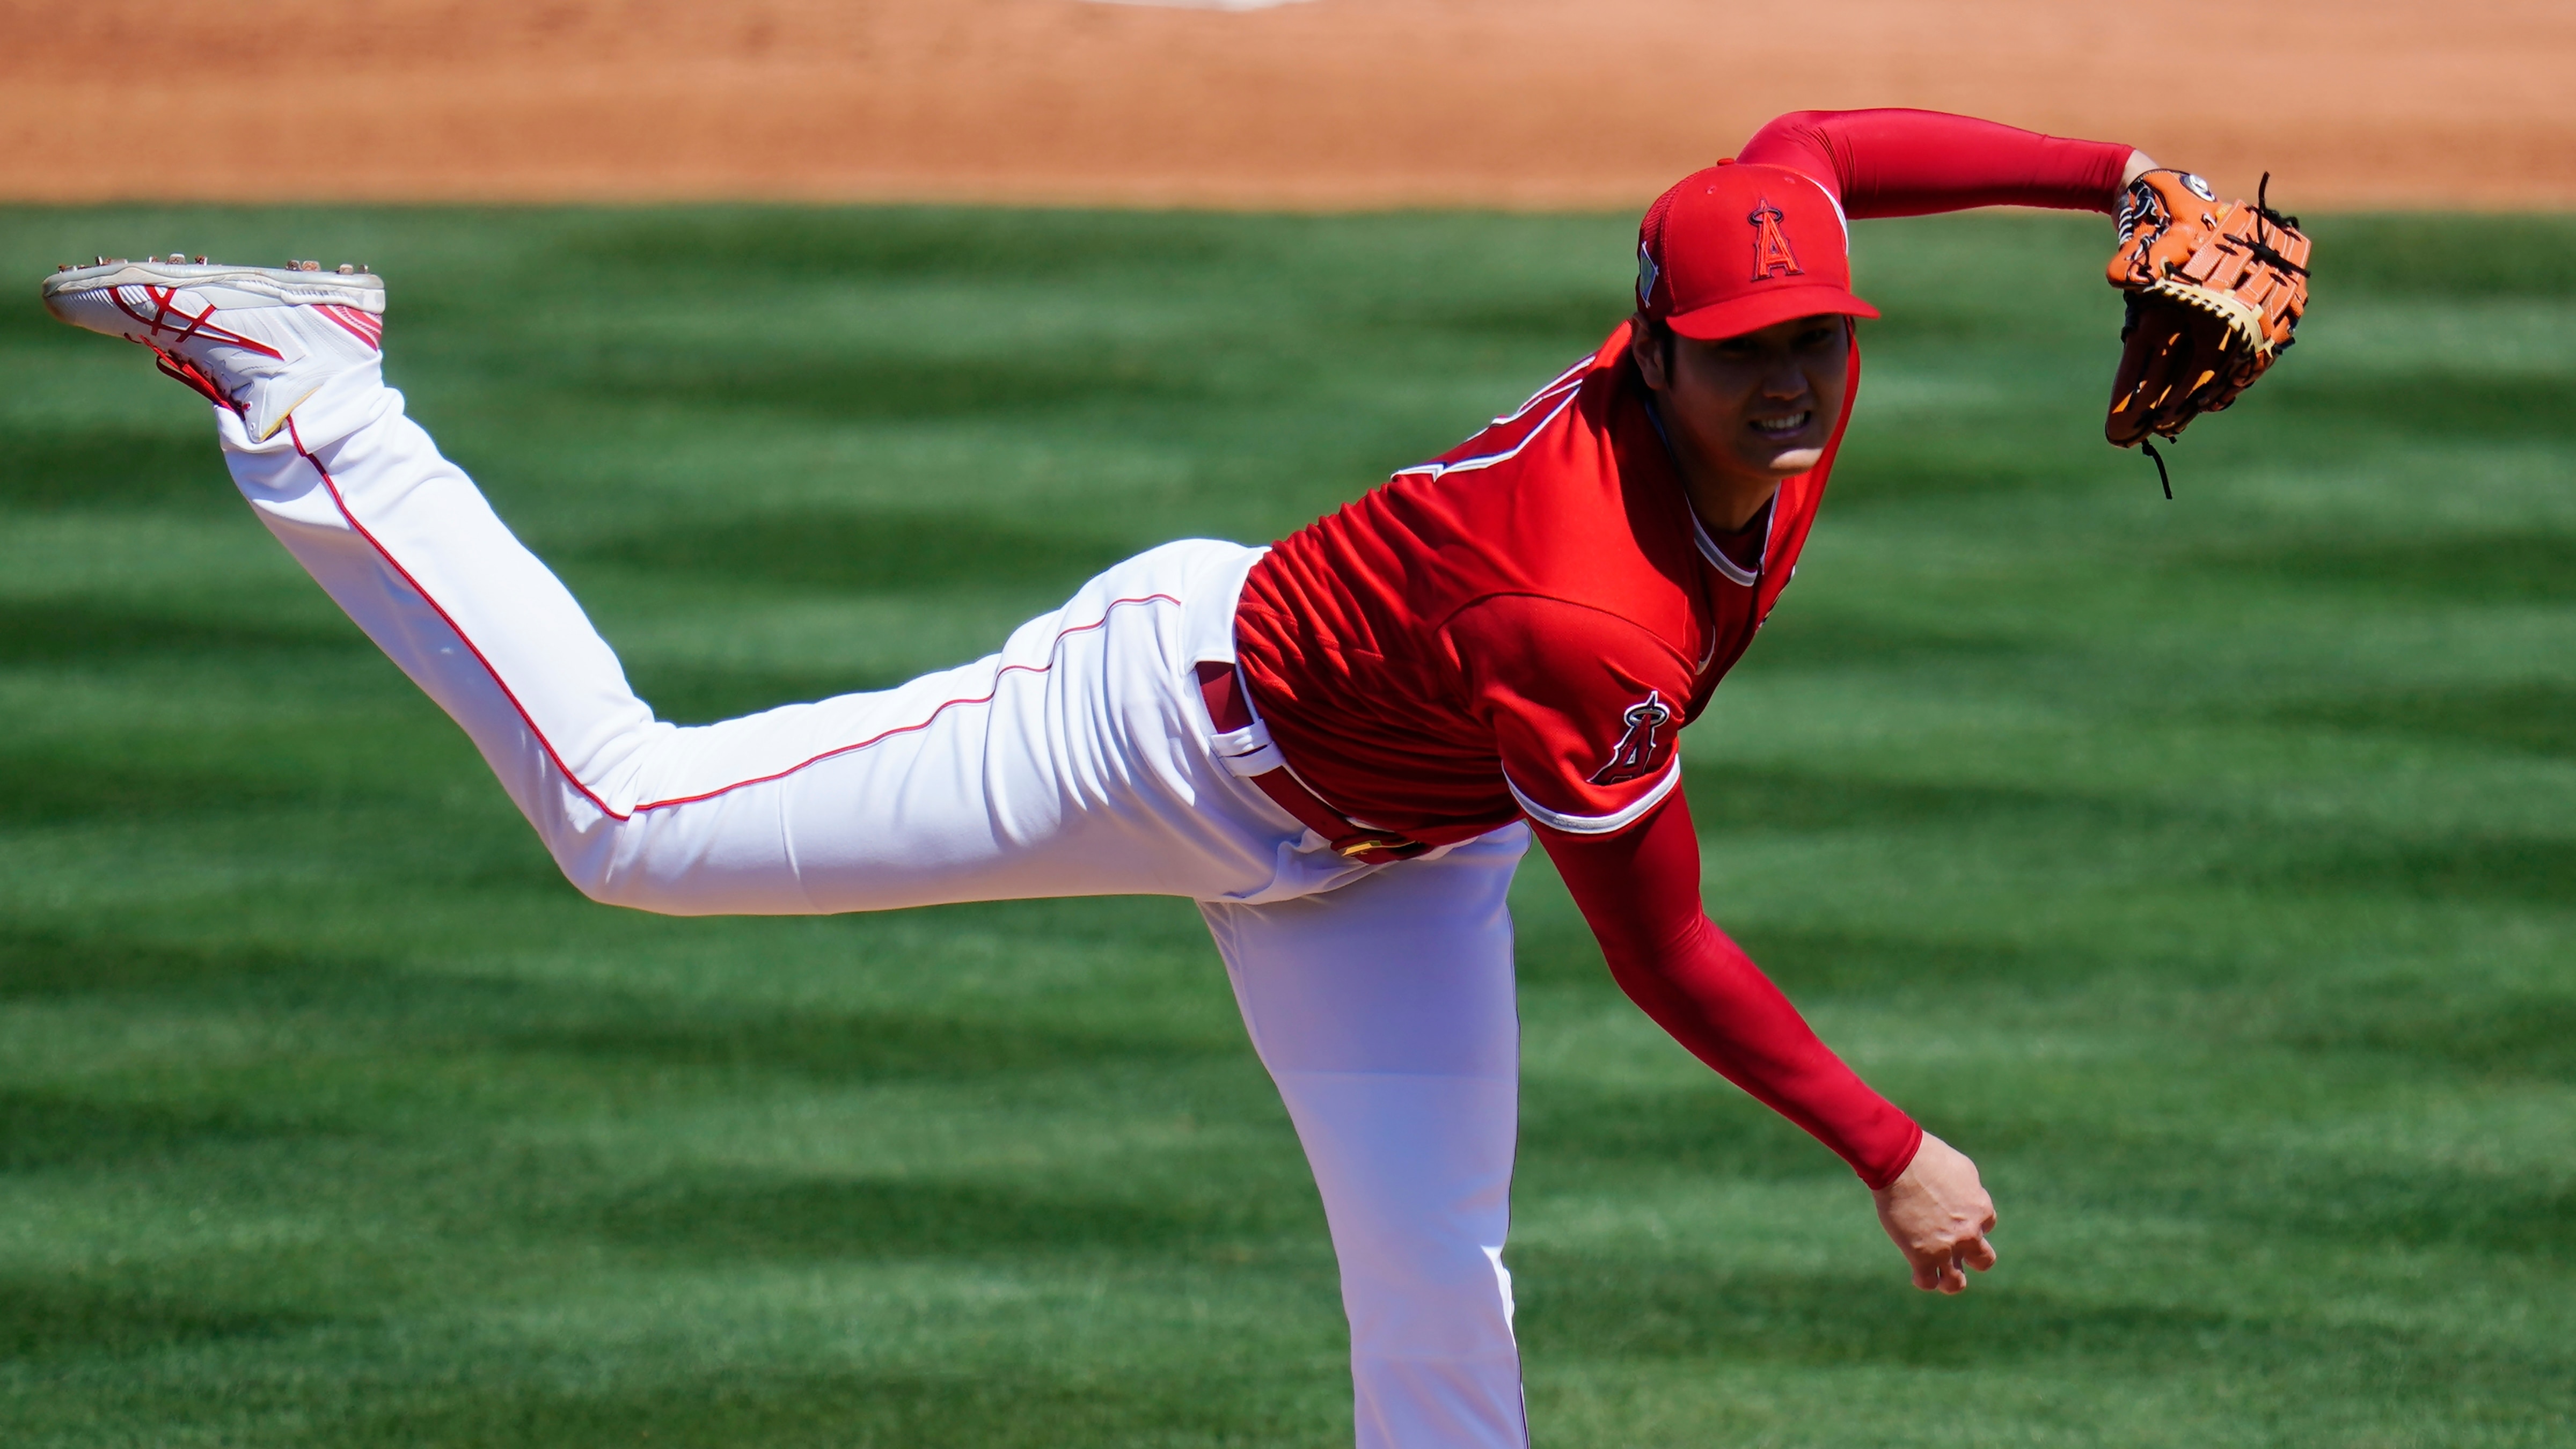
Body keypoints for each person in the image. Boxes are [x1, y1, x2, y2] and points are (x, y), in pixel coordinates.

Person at [42, 106, 2164, 1449]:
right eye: (1747, 349)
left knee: (1435, 1288)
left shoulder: (1772, 371)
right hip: (1163, 734)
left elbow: (1807, 144)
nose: (1797, 381)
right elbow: (1669, 943)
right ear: (1652, 342)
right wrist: (1886, 1145)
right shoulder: (1582, 611)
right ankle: (313, 384)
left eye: (1819, 337)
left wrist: (2119, 180)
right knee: (629, 824)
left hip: (1398, 844)